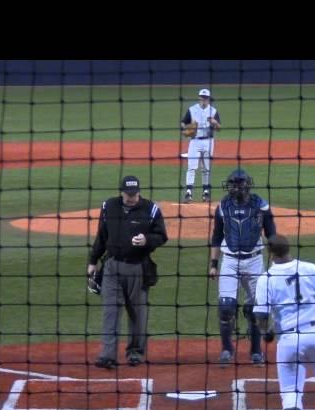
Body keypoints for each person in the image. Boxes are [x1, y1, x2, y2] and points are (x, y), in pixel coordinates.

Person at [253, 234, 315, 410]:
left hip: (289, 340)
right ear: (288, 248)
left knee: (290, 391)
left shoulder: (266, 278)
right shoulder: (308, 268)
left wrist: (266, 332)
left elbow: (261, 315)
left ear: (270, 252)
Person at [87, 175, 168, 369]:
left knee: (137, 313)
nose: (131, 197)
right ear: (121, 192)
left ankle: (135, 353)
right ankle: (107, 355)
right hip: (112, 267)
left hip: (138, 267)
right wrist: (93, 261)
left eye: (134, 194)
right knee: (110, 311)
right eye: (128, 194)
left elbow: (162, 236)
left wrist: (147, 240)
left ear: (138, 191)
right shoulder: (109, 207)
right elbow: (102, 236)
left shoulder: (151, 209)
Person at [209, 168, 276, 366]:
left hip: (255, 261)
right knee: (226, 308)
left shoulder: (261, 206)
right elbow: (217, 236)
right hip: (229, 260)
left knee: (256, 308)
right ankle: (227, 349)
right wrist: (213, 264)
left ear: (246, 185)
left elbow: (271, 235)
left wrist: (273, 264)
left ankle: (256, 351)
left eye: (237, 184)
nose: (233, 187)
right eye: (232, 184)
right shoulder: (222, 207)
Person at [181, 88, 221, 203]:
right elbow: (183, 122)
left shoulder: (213, 111)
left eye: (206, 98)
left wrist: (215, 123)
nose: (204, 100)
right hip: (195, 142)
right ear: (199, 98)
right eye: (202, 97)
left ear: (209, 99)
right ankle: (188, 193)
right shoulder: (192, 110)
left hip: (209, 142)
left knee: (206, 168)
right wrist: (186, 129)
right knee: (191, 167)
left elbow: (218, 128)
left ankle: (206, 193)